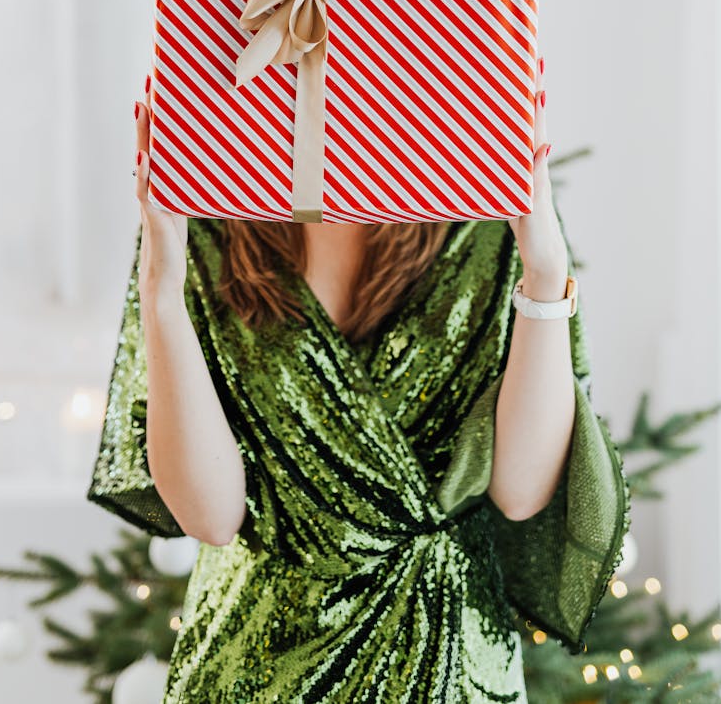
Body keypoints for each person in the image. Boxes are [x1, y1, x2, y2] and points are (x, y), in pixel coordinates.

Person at [87, 53, 631, 703]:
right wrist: (163, 289)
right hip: (257, 665)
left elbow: (520, 491)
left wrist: (543, 272)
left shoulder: (481, 207)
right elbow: (210, 513)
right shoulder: (212, 208)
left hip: (448, 665)